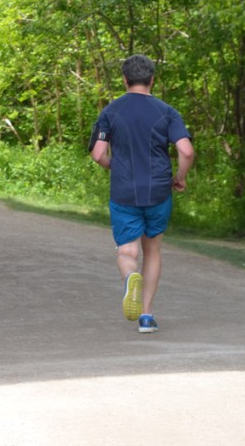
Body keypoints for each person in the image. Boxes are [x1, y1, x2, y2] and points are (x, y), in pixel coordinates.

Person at [88, 54, 194, 333]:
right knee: (153, 250)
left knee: (128, 250)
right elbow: (186, 150)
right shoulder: (167, 112)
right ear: (152, 80)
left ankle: (130, 277)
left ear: (124, 80)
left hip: (124, 191)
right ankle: (146, 316)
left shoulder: (110, 112)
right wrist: (180, 178)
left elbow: (98, 153)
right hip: (159, 190)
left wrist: (114, 166)